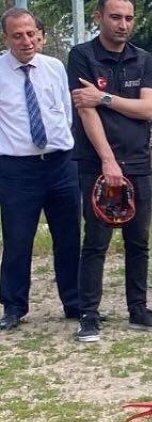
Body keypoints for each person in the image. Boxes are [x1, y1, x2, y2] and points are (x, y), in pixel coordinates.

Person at [69, 0, 152, 342]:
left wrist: (105, 97)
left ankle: (138, 310)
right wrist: (108, 161)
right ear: (99, 17)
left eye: (128, 18)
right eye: (115, 17)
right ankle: (89, 315)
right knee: (96, 242)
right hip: (97, 163)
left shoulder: (145, 59)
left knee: (138, 241)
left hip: (138, 162)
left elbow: (148, 109)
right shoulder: (82, 55)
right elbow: (85, 110)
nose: (123, 24)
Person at [0, 7, 80, 331]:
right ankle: (13, 307)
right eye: (17, 35)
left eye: (31, 33)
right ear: (6, 38)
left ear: (39, 34)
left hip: (60, 164)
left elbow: (66, 111)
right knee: (18, 240)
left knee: (69, 236)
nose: (26, 40)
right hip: (17, 169)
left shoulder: (54, 67)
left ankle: (74, 303)